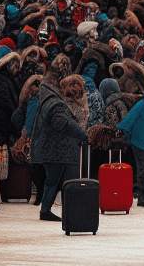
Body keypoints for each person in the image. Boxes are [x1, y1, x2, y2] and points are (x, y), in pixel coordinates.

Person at [32, 71, 89, 222]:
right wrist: (82, 134)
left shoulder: (48, 99)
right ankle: (68, 211)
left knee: (53, 180)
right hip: (57, 149)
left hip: (53, 148)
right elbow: (62, 122)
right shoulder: (56, 104)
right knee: (63, 181)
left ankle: (46, 210)